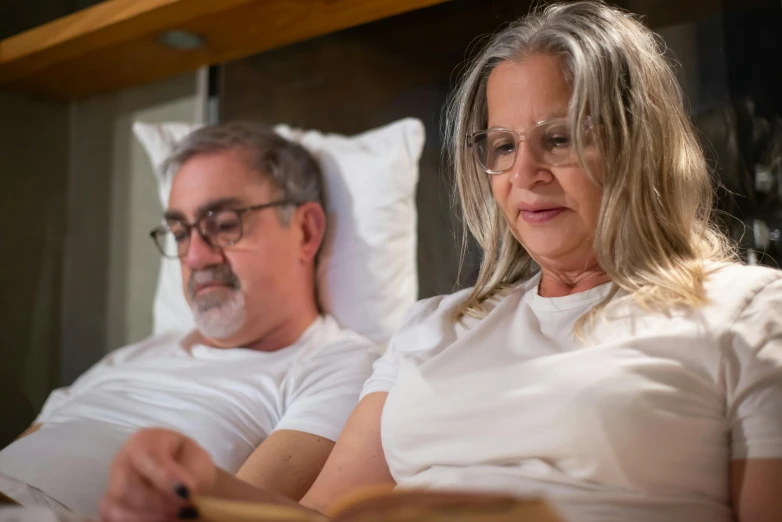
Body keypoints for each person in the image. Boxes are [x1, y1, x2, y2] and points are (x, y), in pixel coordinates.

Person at [99, 2, 782, 522]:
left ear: (640, 143)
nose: (526, 174)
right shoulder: (434, 327)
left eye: (561, 138)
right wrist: (196, 488)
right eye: (503, 146)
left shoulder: (750, 311)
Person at [0, 123, 380, 518]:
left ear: (305, 231)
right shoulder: (134, 355)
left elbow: (240, 515)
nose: (195, 257)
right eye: (180, 233)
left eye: (225, 224)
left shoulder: (338, 365)